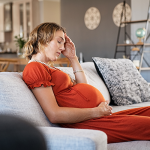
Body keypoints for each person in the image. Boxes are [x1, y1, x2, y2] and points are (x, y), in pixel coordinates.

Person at [23, 22, 150, 143]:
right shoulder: (34, 68)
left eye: (63, 43)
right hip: (88, 123)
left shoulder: (49, 67)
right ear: (43, 40)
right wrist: (97, 112)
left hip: (99, 117)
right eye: (59, 42)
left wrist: (73, 58)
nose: (62, 48)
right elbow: (54, 114)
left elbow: (83, 86)